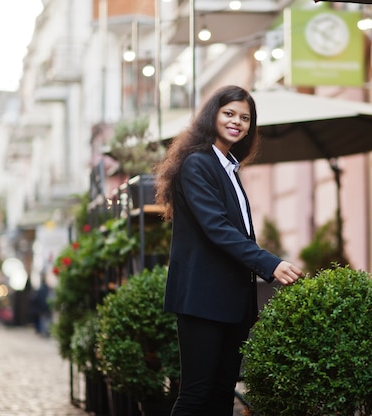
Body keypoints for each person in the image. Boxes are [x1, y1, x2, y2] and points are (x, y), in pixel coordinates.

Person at [155, 85, 304, 415]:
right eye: (229, 114)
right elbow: (217, 229)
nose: (237, 122)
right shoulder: (197, 164)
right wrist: (270, 263)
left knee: (222, 393)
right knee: (196, 394)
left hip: (232, 301)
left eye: (245, 117)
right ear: (213, 116)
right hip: (202, 299)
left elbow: (239, 233)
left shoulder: (228, 166)